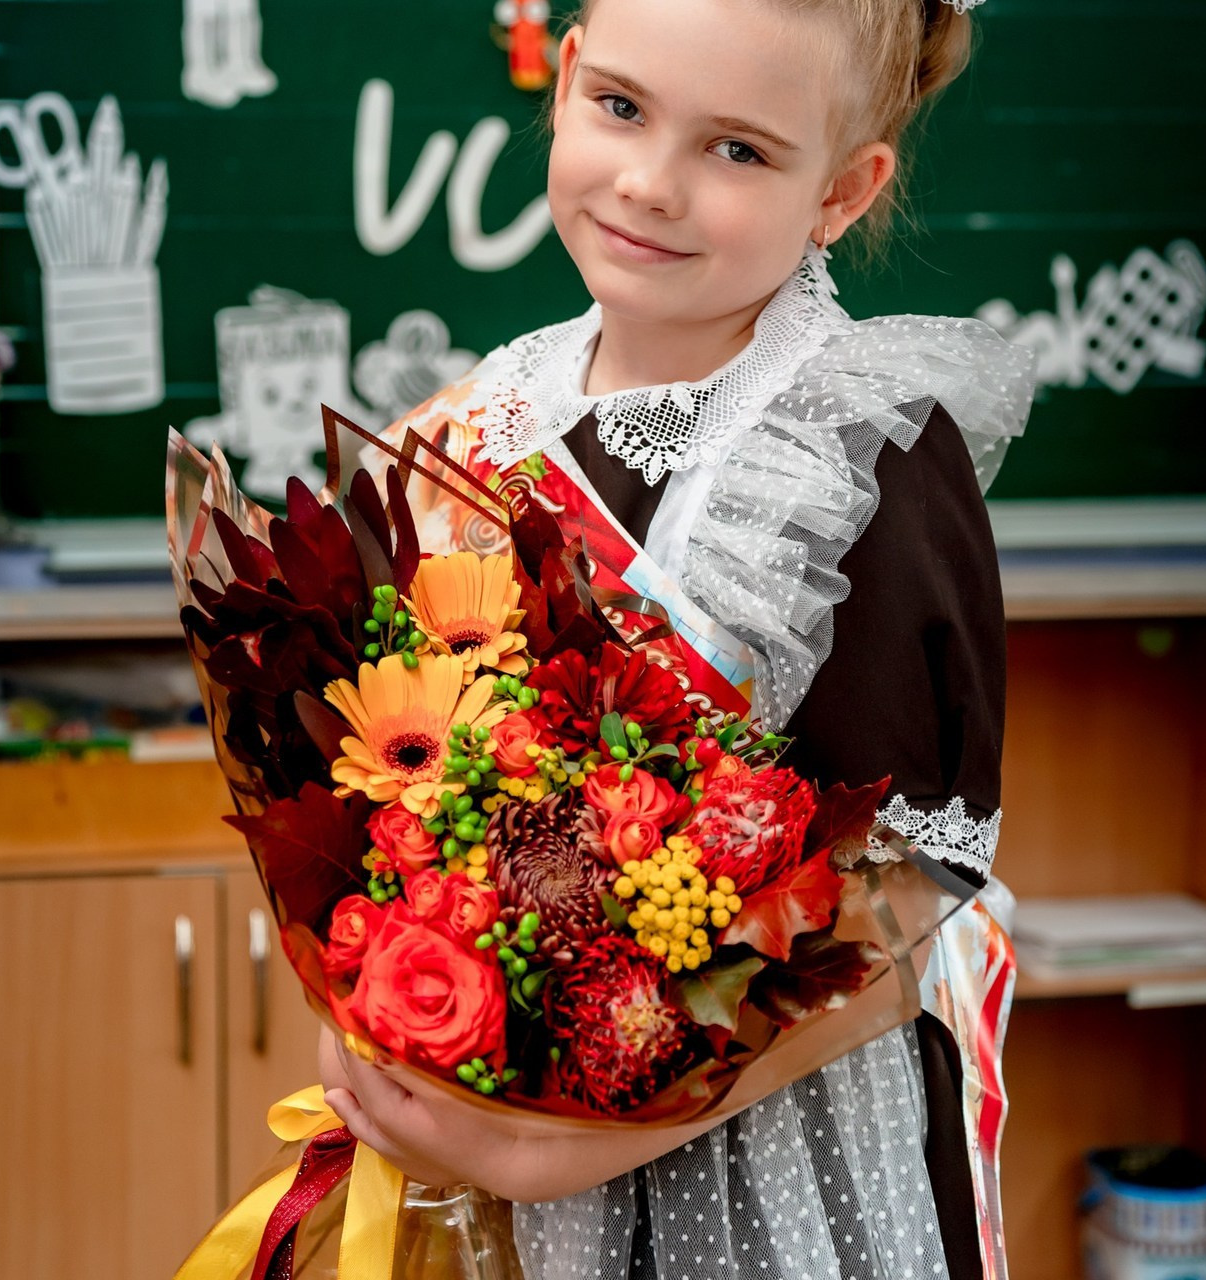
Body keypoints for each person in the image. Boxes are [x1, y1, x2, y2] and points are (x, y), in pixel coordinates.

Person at [321, 0, 1035, 1276]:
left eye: (737, 149)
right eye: (620, 107)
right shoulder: (483, 415)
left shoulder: (859, 449)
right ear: (566, 79)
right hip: (503, 1127)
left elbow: (904, 897)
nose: (649, 184)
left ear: (842, 190)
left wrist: (563, 1152)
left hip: (769, 1152)